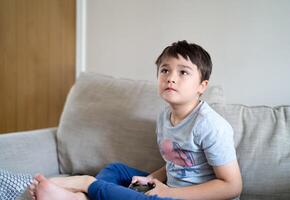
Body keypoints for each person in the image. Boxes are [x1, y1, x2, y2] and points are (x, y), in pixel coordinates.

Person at [29, 40, 242, 200]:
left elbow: (232, 186)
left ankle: (82, 187)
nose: (171, 77)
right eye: (165, 70)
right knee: (116, 170)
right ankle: (88, 196)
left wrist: (171, 193)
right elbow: (176, 165)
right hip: (170, 188)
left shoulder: (210, 125)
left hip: (193, 197)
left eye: (183, 72)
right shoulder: (164, 118)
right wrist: (152, 179)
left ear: (202, 86)